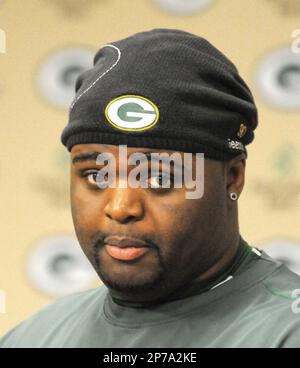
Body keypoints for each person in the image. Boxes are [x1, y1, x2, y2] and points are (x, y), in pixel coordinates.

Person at [1, 28, 300, 348]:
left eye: (159, 178)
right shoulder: (30, 338)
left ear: (232, 177)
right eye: (96, 176)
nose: (119, 207)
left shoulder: (286, 330)